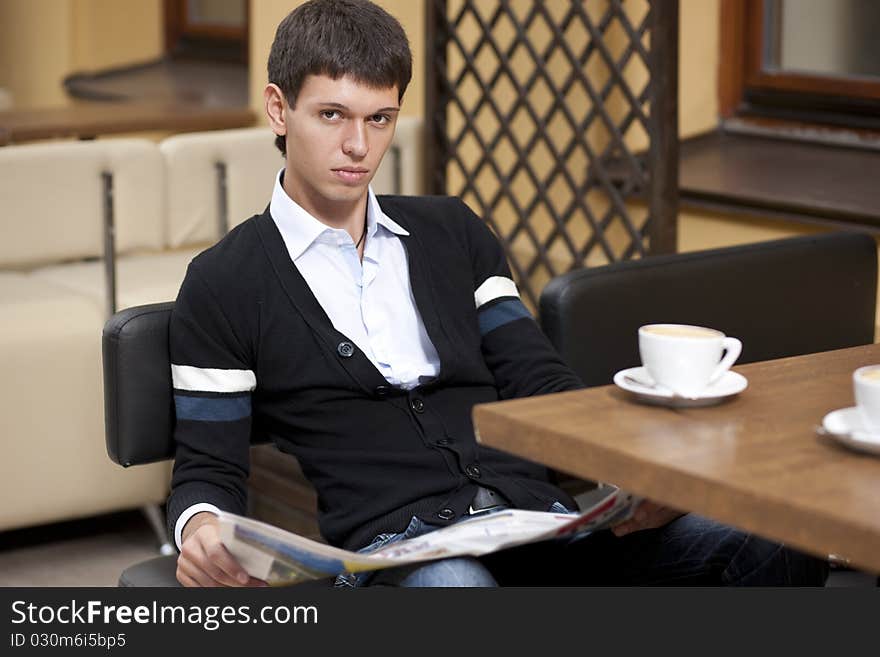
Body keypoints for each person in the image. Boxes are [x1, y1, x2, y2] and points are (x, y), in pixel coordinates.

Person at [168, 0, 828, 588]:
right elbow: (209, 468)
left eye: (380, 118)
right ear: (279, 108)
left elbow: (537, 375)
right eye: (332, 114)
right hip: (403, 557)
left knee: (773, 533)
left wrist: (634, 474)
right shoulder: (226, 282)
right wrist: (200, 530)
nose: (358, 145)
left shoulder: (453, 232)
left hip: (545, 529)